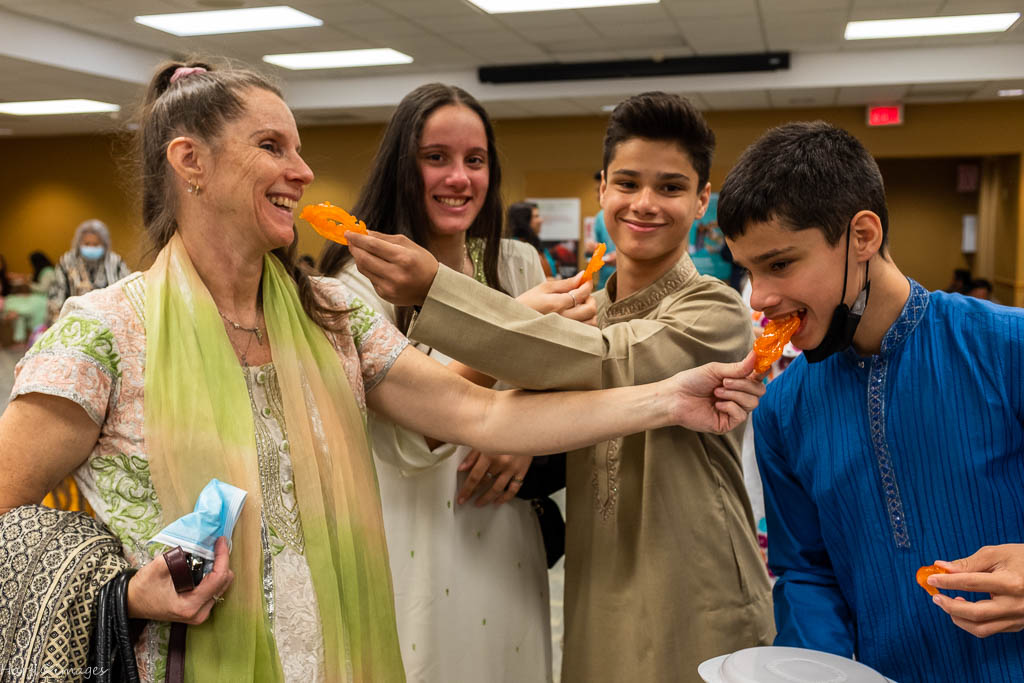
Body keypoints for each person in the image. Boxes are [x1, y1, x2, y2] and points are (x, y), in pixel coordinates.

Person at [0, 61, 767, 681]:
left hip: (342, 652)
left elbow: (485, 417)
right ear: (189, 162)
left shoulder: (331, 313)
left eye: (300, 148)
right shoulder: (105, 331)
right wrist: (124, 591)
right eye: (274, 147)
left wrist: (669, 396)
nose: (303, 172)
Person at [344, 91, 775, 683]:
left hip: (693, 581)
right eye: (626, 183)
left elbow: (598, 359)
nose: (645, 204)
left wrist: (435, 290)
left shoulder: (714, 311)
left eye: (671, 188)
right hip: (594, 580)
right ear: (601, 190)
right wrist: (524, 429)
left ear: (703, 200)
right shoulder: (582, 309)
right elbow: (528, 395)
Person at [719, 120, 1024, 683]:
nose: (759, 297)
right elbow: (806, 572)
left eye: (780, 264)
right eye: (749, 270)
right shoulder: (783, 409)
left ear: (863, 236)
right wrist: (819, 671)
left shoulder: (1008, 348)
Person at [319, 84, 575, 682]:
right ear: (402, 166)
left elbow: (562, 388)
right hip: (414, 534)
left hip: (508, 532)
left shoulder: (517, 266)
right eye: (436, 157)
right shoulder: (356, 284)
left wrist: (524, 435)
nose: (458, 177)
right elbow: (407, 434)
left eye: (475, 160)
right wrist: (518, 327)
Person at [48, 218, 132, 323]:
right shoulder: (67, 262)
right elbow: (55, 297)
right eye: (87, 244)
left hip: (108, 321)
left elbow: (126, 292)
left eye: (96, 244)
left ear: (105, 244)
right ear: (79, 243)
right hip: (72, 321)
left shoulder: (115, 262)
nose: (91, 247)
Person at [1, 251, 55, 345]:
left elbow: (43, 288)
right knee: (13, 300)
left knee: (16, 302)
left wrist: (28, 283)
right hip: (37, 298)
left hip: (43, 299)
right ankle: (14, 315)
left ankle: (13, 313)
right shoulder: (43, 272)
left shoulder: (48, 272)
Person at [508, 200, 556, 278]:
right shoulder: (512, 249)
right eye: (536, 216)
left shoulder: (537, 244)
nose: (541, 220)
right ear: (523, 221)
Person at [587, 171, 617, 291]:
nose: (599, 194)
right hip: (604, 284)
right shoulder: (599, 217)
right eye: (598, 190)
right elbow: (594, 253)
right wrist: (593, 250)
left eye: (603, 189)